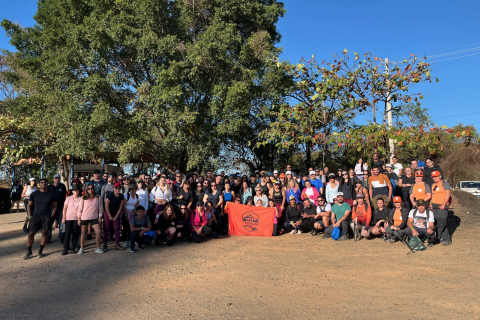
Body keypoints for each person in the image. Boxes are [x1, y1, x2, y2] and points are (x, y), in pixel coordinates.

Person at [23, 178, 57, 260]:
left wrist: (51, 216)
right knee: (31, 234)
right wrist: (30, 216)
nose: (43, 183)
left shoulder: (51, 194)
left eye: (45, 182)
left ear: (47, 184)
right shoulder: (34, 194)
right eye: (42, 182)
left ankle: (40, 252)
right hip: (35, 216)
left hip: (46, 217)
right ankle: (29, 252)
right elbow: (29, 205)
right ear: (39, 184)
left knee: (44, 233)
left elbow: (55, 206)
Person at [77, 182, 104, 254]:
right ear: (86, 190)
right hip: (84, 217)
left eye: (92, 188)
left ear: (94, 189)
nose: (90, 189)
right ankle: (82, 248)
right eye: (88, 188)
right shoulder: (83, 198)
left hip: (94, 217)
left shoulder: (98, 197)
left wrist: (100, 217)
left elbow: (101, 208)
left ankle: (98, 247)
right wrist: (79, 219)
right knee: (83, 233)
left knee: (98, 232)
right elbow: (80, 209)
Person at [430, 171, 452, 246]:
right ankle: (439, 237)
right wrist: (431, 204)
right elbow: (433, 195)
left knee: (442, 223)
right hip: (434, 206)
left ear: (440, 176)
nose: (435, 178)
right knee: (435, 222)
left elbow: (448, 194)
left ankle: (447, 239)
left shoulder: (444, 183)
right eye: (433, 177)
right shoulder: (433, 185)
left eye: (436, 176)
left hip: (442, 206)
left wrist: (443, 204)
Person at [61, 185, 82, 255]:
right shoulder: (69, 198)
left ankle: (73, 248)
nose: (76, 191)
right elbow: (64, 209)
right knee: (67, 234)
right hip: (68, 218)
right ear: (72, 191)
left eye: (77, 190)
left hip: (77, 218)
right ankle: (66, 248)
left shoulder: (81, 199)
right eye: (74, 190)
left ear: (79, 191)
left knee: (75, 233)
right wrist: (64, 218)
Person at [104, 182, 125, 251]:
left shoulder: (121, 196)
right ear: (113, 188)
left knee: (117, 228)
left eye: (119, 188)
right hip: (108, 213)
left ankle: (117, 244)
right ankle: (105, 245)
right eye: (116, 188)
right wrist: (109, 215)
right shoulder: (110, 195)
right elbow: (106, 206)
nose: (117, 189)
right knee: (107, 229)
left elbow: (120, 207)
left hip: (116, 213)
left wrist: (116, 216)